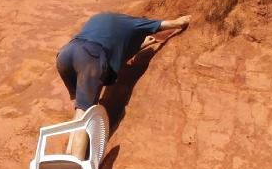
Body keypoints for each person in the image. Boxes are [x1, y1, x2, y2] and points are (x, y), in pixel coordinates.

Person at [55, 11, 191, 112]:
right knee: (86, 113)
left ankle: (73, 142)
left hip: (65, 54)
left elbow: (116, 49)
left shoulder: (104, 19)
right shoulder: (134, 22)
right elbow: (161, 24)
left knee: (81, 105)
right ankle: (77, 150)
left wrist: (141, 46)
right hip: (89, 55)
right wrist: (179, 22)